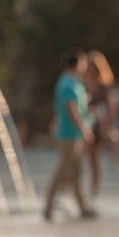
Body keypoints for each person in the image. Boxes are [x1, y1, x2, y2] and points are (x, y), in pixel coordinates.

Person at [44, 50, 96, 221]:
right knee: (63, 169)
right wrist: (83, 128)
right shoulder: (67, 83)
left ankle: (83, 207)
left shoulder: (74, 83)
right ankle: (48, 206)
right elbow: (70, 108)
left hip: (74, 133)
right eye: (83, 63)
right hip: (68, 134)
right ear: (77, 64)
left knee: (76, 171)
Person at [85, 50, 119, 196]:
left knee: (94, 159)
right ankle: (74, 188)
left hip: (98, 125)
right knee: (79, 158)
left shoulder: (103, 87)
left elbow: (109, 108)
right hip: (85, 123)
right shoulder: (84, 84)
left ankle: (94, 189)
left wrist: (108, 125)